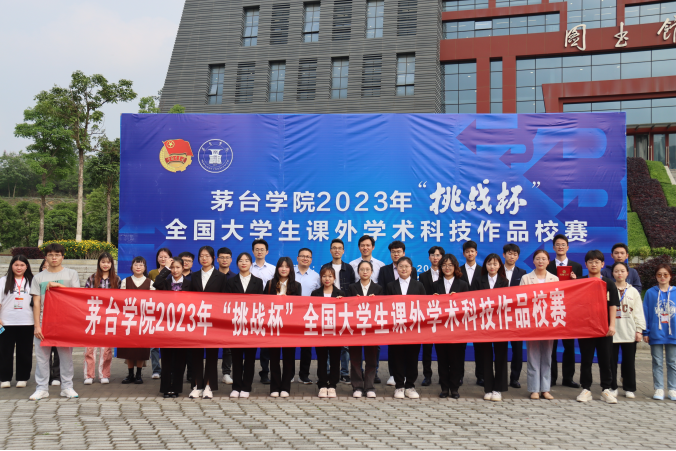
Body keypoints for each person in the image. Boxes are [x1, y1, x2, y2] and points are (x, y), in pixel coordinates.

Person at [29, 243, 81, 400]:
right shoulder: (38, 278)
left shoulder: (71, 274)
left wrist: (58, 285)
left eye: (57, 255)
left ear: (62, 257)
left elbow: (77, 296)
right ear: (46, 257)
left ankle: (67, 387)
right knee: (42, 357)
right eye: (50, 255)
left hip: (65, 322)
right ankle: (41, 388)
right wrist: (37, 326)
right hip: (44, 322)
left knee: (66, 357)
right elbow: (36, 303)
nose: (54, 258)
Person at [182, 246, 227, 399]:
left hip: (213, 321)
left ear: (213, 258)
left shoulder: (221, 277)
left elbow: (223, 300)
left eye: (207, 256)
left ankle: (209, 385)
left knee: (212, 355)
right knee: (196, 354)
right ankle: (197, 385)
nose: (204, 258)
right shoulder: (194, 276)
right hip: (197, 321)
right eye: (201, 256)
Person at [576, 250, 621, 404]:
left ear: (602, 264)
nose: (593, 264)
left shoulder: (609, 283)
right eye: (590, 262)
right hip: (586, 328)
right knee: (586, 359)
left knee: (605, 359)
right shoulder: (580, 282)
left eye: (597, 262)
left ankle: (606, 389)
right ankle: (586, 389)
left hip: (604, 329)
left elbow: (613, 305)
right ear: (586, 264)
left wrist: (612, 325)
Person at [520, 250, 559, 400]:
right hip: (532, 321)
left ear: (548, 261)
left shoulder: (554, 279)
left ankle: (545, 389)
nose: (540, 261)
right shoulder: (526, 278)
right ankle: (534, 389)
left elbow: (557, 300)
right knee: (533, 356)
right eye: (538, 259)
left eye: (543, 259)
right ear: (533, 261)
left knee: (547, 356)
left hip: (549, 322)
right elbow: (521, 299)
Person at [385, 257, 426, 400]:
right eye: (400, 266)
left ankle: (410, 386)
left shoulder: (419, 286)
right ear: (396, 268)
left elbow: (424, 306)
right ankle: (399, 386)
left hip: (413, 329)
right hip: (396, 329)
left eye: (406, 266)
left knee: (412, 358)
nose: (403, 269)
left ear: (411, 269)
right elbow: (386, 307)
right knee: (397, 357)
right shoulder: (390, 286)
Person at [377, 240, 417, 386]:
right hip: (393, 315)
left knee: (409, 348)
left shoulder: (412, 270)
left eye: (398, 251)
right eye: (393, 252)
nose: (396, 254)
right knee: (394, 348)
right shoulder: (384, 270)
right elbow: (382, 291)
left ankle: (407, 376)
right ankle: (393, 374)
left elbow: (414, 290)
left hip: (410, 316)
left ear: (403, 253)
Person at [226, 252, 265, 399]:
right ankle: (236, 387)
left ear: (250, 263)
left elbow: (260, 304)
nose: (244, 263)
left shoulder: (258, 282)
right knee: (236, 358)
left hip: (251, 325)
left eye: (247, 260)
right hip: (235, 325)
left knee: (249, 358)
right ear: (237, 263)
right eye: (241, 260)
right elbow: (227, 303)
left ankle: (246, 386)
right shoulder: (231, 282)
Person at [546, 234, 582, 389]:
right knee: (551, 346)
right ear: (553, 247)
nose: (560, 247)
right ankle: (551, 377)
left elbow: (580, 289)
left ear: (568, 247)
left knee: (569, 345)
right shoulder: (547, 266)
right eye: (557, 244)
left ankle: (568, 378)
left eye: (563, 244)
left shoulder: (576, 266)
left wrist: (575, 281)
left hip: (569, 310)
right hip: (552, 309)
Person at [349, 235, 386, 384]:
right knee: (355, 352)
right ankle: (357, 382)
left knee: (373, 350)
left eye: (368, 245)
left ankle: (372, 376)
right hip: (356, 317)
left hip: (373, 317)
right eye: (362, 245)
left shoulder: (380, 265)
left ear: (373, 247)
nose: (365, 248)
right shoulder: (352, 265)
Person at [473, 254, 510, 402]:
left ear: (500, 265)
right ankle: (488, 388)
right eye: (489, 264)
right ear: (485, 266)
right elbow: (473, 300)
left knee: (501, 356)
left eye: (495, 264)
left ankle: (498, 389)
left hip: (500, 324)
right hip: (483, 324)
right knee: (485, 356)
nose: (492, 267)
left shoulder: (504, 281)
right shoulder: (478, 281)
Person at [433, 253, 470, 399]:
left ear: (455, 267)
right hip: (440, 329)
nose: (447, 268)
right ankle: (444, 388)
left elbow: (468, 307)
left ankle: (454, 388)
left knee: (456, 360)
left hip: (457, 330)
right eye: (444, 265)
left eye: (450, 265)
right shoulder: (435, 285)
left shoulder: (463, 285)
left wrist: (458, 299)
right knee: (442, 359)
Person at [265, 257, 303, 398]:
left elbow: (298, 307)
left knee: (288, 358)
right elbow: (263, 304)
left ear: (291, 269)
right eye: (281, 266)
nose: (284, 269)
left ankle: (285, 387)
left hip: (289, 328)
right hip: (273, 326)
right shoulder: (270, 284)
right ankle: (275, 386)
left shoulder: (296, 285)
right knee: (274, 358)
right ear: (277, 268)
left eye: (287, 266)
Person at [347, 260, 383, 399]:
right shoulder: (352, 288)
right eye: (362, 269)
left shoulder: (378, 289)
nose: (365, 272)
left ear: (372, 272)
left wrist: (375, 300)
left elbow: (383, 307)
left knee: (371, 359)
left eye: (367, 269)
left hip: (372, 330)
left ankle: (369, 387)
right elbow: (346, 306)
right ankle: (357, 386)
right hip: (355, 329)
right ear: (358, 272)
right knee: (355, 358)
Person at [321, 239, 356, 384]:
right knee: (327, 341)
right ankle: (328, 372)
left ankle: (344, 373)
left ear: (343, 251)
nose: (337, 250)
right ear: (330, 250)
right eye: (334, 248)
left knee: (345, 344)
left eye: (339, 248)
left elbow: (352, 287)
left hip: (344, 309)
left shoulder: (349, 268)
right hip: (327, 309)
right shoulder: (325, 267)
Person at [83, 252, 120, 385]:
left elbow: (120, 299)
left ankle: (104, 374)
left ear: (112, 264)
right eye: (103, 262)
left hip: (109, 317)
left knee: (106, 348)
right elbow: (85, 297)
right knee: (90, 348)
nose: (105, 264)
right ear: (99, 263)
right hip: (93, 316)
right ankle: (89, 375)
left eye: (108, 262)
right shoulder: (92, 278)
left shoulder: (116, 279)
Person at [117, 256, 155, 386]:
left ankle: (139, 374)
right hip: (128, 320)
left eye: (141, 265)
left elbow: (152, 302)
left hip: (143, 321)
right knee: (128, 348)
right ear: (131, 267)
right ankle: (130, 374)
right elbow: (121, 300)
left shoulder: (150, 283)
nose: (138, 267)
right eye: (136, 265)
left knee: (141, 348)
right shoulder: (125, 281)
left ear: (145, 268)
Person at [154, 257, 188, 398]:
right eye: (172, 268)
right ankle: (166, 388)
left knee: (180, 360)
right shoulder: (166, 282)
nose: (175, 270)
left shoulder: (190, 283)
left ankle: (176, 388)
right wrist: (166, 268)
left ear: (183, 268)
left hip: (183, 327)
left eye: (178, 267)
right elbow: (156, 283)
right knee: (167, 359)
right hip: (167, 326)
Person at [610, 261, 645, 399]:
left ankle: (629, 388)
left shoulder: (633, 291)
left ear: (627, 273)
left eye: (622, 271)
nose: (619, 273)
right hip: (612, 331)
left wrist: (639, 330)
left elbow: (638, 312)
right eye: (616, 271)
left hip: (629, 331)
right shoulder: (609, 289)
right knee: (611, 362)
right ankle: (612, 387)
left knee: (629, 362)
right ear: (612, 273)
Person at [642, 264, 676, 401]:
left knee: (672, 362)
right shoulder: (650, 293)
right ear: (656, 276)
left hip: (673, 333)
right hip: (656, 333)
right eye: (659, 274)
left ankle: (672, 389)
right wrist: (646, 332)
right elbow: (645, 313)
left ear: (670, 276)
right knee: (657, 362)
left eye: (665, 274)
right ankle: (659, 388)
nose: (662, 277)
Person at [0, 255, 34, 389]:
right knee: (5, 351)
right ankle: (4, 378)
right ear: (11, 266)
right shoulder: (3, 281)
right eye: (16, 265)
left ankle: (22, 377)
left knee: (25, 351)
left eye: (22, 265)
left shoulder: (32, 281)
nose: (19, 268)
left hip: (27, 321)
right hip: (6, 322)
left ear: (27, 267)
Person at [311, 267, 345, 398]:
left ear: (334, 278)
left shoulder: (340, 293)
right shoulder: (315, 293)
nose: (327, 279)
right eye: (324, 276)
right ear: (321, 278)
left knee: (335, 359)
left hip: (335, 333)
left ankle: (332, 385)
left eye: (330, 276)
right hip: (320, 332)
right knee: (322, 359)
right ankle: (322, 384)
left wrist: (342, 302)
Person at [418, 246, 444, 387]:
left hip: (443, 317)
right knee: (427, 349)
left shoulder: (447, 274)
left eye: (438, 255)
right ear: (429, 258)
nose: (435, 257)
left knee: (441, 349)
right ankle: (427, 376)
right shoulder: (423, 276)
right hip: (427, 317)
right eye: (433, 255)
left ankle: (443, 376)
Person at [503, 243, 527, 389]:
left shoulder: (523, 273)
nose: (512, 256)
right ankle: (501, 377)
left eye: (515, 254)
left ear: (518, 257)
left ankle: (515, 378)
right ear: (504, 255)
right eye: (509, 253)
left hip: (517, 316)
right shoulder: (496, 271)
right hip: (500, 316)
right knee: (501, 349)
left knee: (517, 349)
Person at [251, 239, 275, 385]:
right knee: (250, 343)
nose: (259, 252)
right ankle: (246, 373)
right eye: (257, 249)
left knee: (266, 344)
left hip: (268, 310)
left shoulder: (273, 269)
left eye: (262, 249)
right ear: (253, 251)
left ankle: (265, 372)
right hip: (250, 310)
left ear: (267, 252)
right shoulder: (248, 267)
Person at [460, 241, 484, 387]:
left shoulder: (483, 270)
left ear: (476, 253)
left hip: (478, 315)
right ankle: (459, 376)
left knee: (479, 347)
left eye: (472, 251)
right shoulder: (458, 270)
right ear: (464, 254)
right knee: (460, 347)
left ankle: (481, 376)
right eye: (467, 251)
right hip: (461, 315)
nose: (470, 254)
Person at [297, 248, 321, 385]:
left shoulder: (316, 276)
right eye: (302, 256)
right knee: (289, 346)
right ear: (297, 258)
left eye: (308, 257)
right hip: (292, 314)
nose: (305, 258)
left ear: (311, 260)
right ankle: (289, 374)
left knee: (306, 348)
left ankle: (304, 375)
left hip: (309, 315)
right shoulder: (290, 273)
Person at [148, 247, 172, 380]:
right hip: (154, 310)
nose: (163, 259)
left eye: (165, 256)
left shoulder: (173, 271)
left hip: (169, 311)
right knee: (154, 344)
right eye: (160, 256)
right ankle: (156, 369)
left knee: (169, 343)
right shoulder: (152, 273)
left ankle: (169, 369)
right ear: (157, 258)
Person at [37, 259, 61, 388]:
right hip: (42, 320)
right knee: (44, 352)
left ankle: (56, 376)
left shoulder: (61, 281)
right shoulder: (37, 281)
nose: (46, 269)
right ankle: (45, 378)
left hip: (59, 320)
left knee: (58, 351)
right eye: (44, 267)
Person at [217, 247, 237, 386]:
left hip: (230, 316)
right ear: (217, 259)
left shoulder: (235, 277)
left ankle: (226, 373)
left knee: (228, 347)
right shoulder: (211, 275)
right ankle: (208, 373)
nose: (224, 260)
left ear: (231, 260)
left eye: (227, 257)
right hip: (212, 315)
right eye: (222, 257)